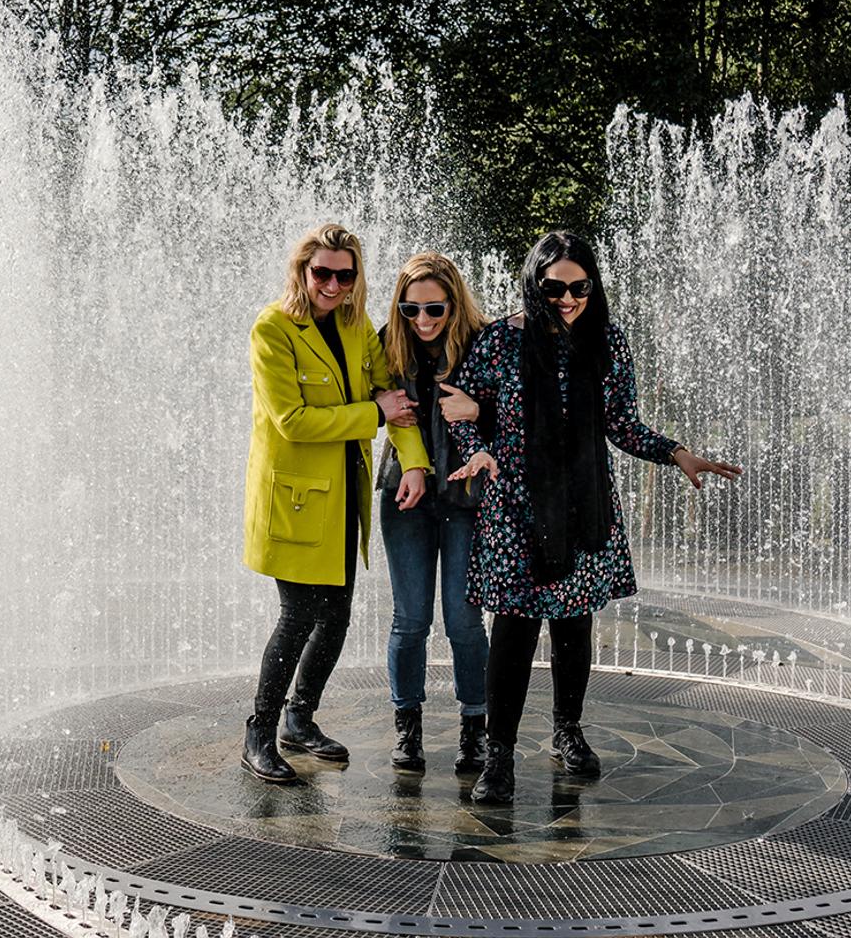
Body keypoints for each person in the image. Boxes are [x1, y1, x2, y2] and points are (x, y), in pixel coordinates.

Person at [447, 231, 741, 804]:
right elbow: (460, 405)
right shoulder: (499, 342)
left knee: (574, 624)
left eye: (579, 287)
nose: (567, 298)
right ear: (534, 282)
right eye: (554, 287)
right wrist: (474, 447)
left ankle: (567, 731)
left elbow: (622, 424)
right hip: (514, 507)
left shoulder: (605, 341)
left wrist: (674, 451)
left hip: (584, 503)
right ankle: (499, 756)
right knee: (513, 631)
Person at [242, 223, 427, 784]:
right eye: (322, 272)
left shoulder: (354, 325)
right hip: (294, 501)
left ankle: (300, 718)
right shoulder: (273, 328)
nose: (333, 284)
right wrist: (373, 414)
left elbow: (392, 394)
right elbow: (293, 421)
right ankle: (259, 732)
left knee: (338, 615)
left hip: (343, 492)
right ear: (302, 270)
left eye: (345, 275)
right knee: (298, 616)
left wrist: (414, 461)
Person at [377, 252, 495, 773]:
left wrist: (481, 410)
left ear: (455, 302)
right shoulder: (386, 342)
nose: (421, 321)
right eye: (410, 309)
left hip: (468, 498)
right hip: (406, 494)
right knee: (410, 619)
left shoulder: (486, 342)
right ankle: (408, 726)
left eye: (434, 309)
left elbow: (521, 407)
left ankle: (476, 727)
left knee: (465, 620)